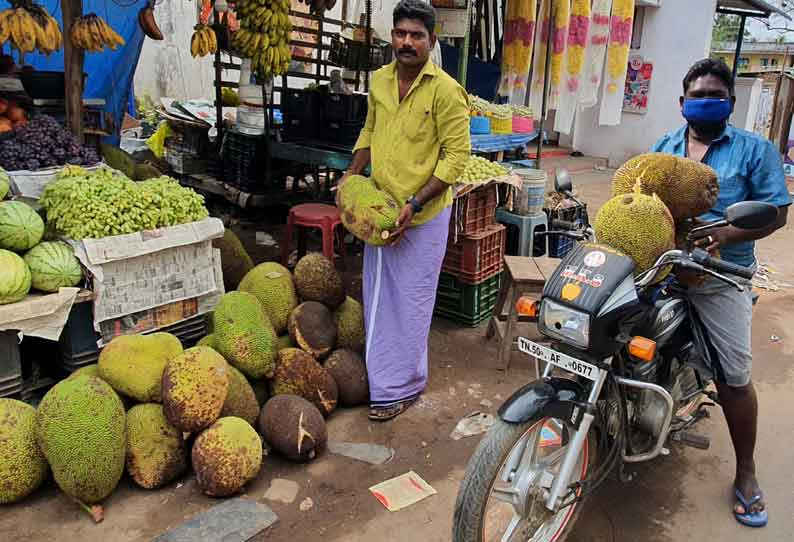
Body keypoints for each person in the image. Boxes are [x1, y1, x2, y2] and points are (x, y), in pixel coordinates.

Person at [652, 58, 790, 528]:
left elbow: (776, 214)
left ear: (730, 103)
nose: (706, 101)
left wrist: (724, 236)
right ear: (682, 102)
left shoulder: (756, 150)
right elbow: (640, 199)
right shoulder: (665, 147)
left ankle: (747, 472)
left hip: (721, 274)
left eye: (716, 95)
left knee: (733, 376)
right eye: (698, 95)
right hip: (665, 266)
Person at [337, 0, 471, 421]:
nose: (406, 42)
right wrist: (351, 177)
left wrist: (414, 204)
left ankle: (403, 386)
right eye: (400, 34)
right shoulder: (379, 81)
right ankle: (382, 378)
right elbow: (370, 131)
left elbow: (455, 158)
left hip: (423, 215)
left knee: (410, 301)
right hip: (381, 208)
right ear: (391, 36)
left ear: (432, 40)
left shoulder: (447, 92)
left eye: (416, 35)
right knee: (378, 297)